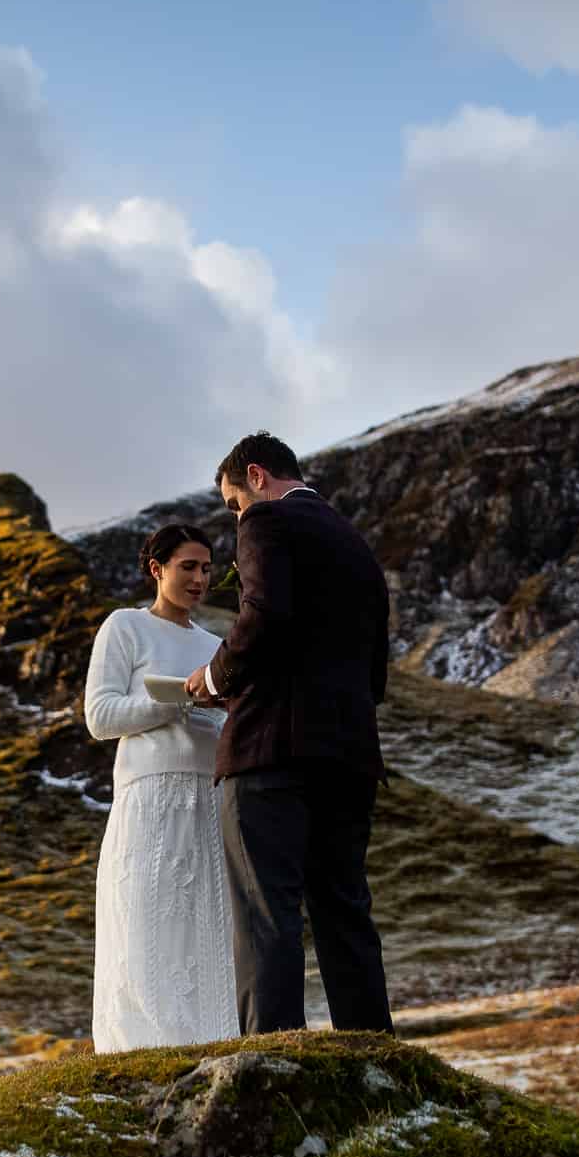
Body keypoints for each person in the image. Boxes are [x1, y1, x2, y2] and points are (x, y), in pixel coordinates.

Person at [184, 432, 396, 1035]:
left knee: (266, 912)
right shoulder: (356, 545)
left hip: (270, 751)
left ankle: (271, 1061)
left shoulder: (269, 522)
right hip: (350, 754)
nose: (237, 517)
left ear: (256, 476)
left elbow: (265, 616)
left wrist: (216, 676)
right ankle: (370, 1049)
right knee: (344, 911)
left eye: (233, 503)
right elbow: (375, 667)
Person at [81, 523, 235, 1052]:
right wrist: (177, 701)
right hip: (149, 800)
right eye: (187, 567)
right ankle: (141, 1049)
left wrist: (224, 707)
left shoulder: (218, 645)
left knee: (206, 926)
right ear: (157, 569)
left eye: (207, 568)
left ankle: (212, 1042)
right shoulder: (124, 628)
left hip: (210, 798)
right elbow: (99, 717)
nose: (199, 578)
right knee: (145, 926)